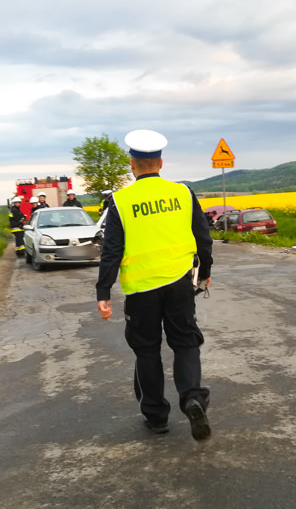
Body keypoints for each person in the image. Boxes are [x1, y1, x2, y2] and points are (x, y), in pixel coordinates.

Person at [96, 129, 214, 441]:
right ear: (160, 163)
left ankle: (156, 416)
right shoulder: (183, 193)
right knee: (185, 343)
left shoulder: (120, 202)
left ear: (132, 164)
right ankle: (192, 398)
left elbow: (111, 251)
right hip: (179, 284)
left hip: (140, 291)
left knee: (147, 352)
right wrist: (205, 273)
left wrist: (103, 292)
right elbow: (204, 237)